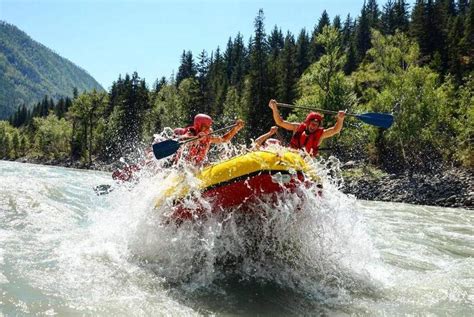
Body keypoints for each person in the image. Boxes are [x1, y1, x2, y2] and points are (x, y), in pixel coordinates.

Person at [268, 99, 345, 157]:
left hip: (307, 163)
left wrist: (340, 119)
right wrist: (274, 108)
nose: (313, 127)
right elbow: (280, 122)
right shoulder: (297, 127)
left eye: (316, 125)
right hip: (292, 157)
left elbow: (335, 130)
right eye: (312, 124)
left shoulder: (321, 134)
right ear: (307, 123)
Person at [177, 114, 244, 165]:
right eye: (205, 127)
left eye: (209, 126)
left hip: (198, 166)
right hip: (186, 167)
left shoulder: (208, 136)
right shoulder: (191, 132)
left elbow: (224, 139)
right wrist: (196, 138)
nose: (208, 129)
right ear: (199, 126)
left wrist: (235, 129)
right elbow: (182, 139)